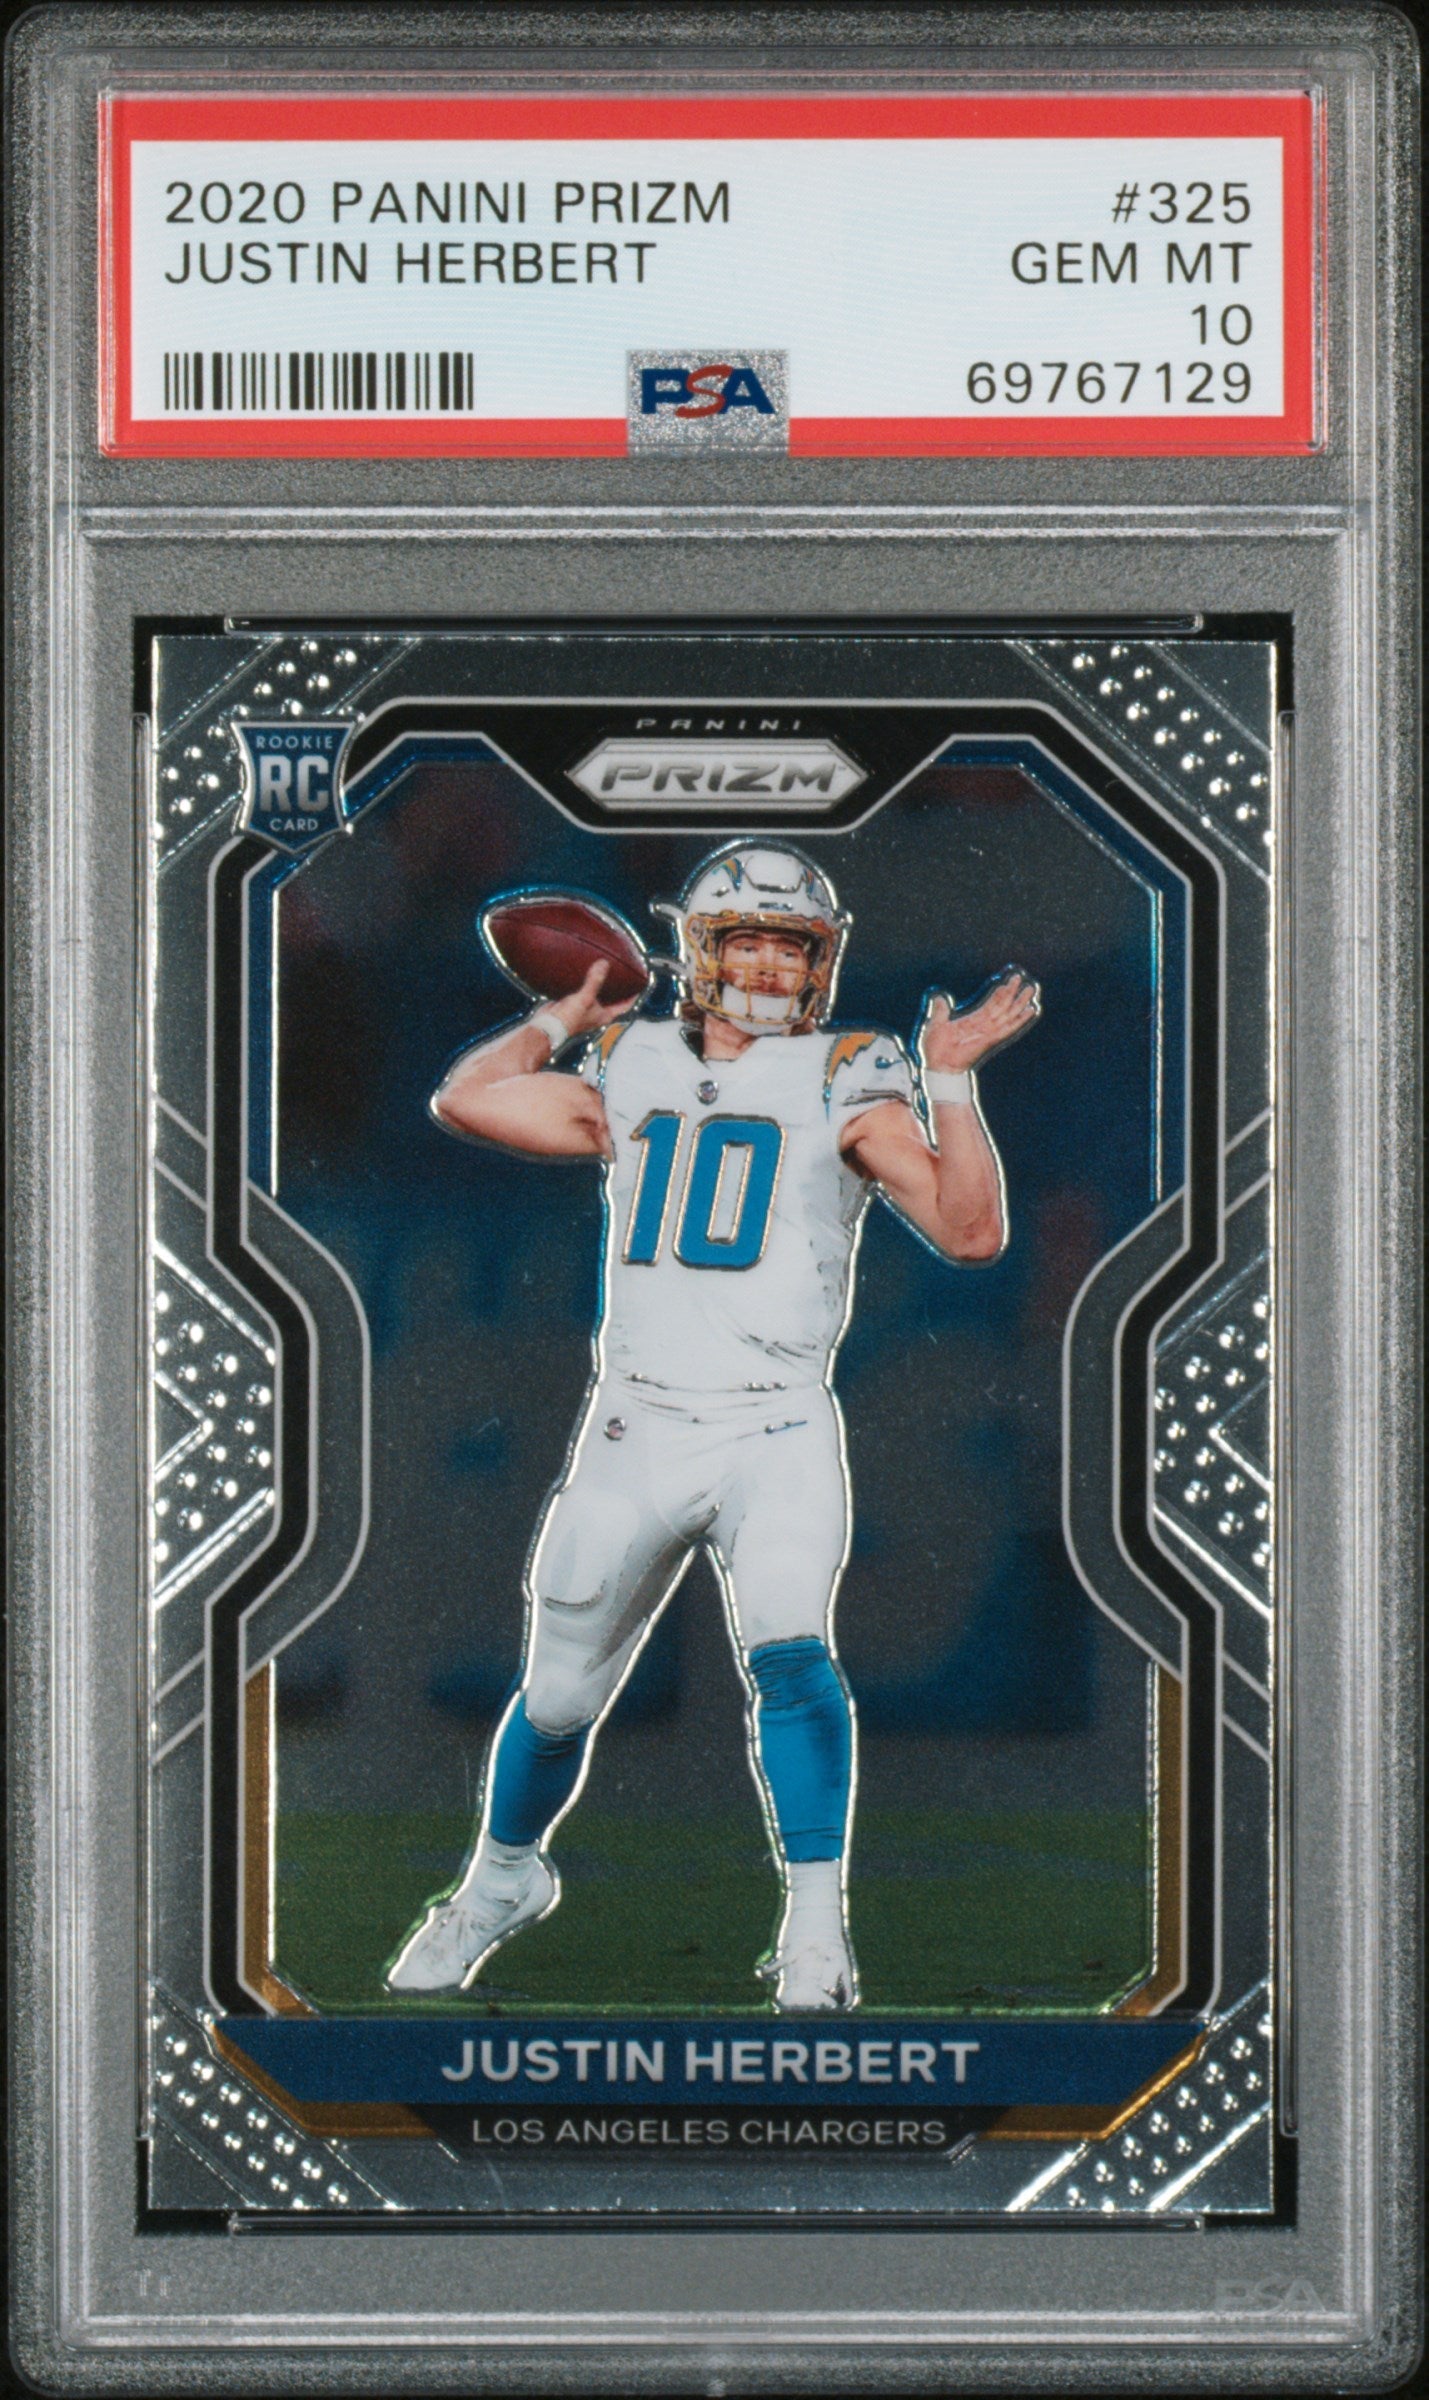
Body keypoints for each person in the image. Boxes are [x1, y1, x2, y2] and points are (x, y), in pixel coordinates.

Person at [387, 844, 1039, 2009]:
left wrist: (951, 1084)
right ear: (697, 952)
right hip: (636, 1423)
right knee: (558, 1698)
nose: (771, 968)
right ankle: (499, 1882)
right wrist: (564, 1013)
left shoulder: (846, 1069)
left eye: (792, 947)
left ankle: (817, 1932)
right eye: (747, 942)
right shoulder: (631, 1057)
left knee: (791, 1652)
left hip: (773, 1428)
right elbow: (467, 1098)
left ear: (822, 961)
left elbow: (970, 1231)